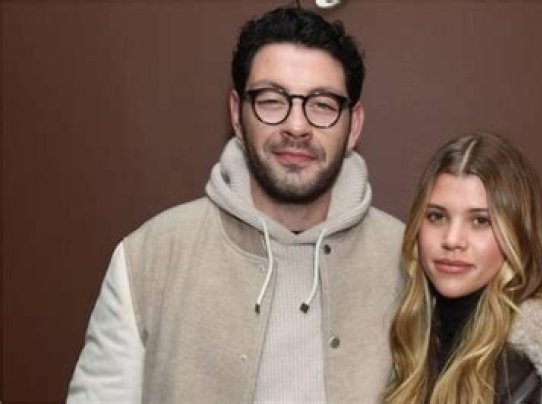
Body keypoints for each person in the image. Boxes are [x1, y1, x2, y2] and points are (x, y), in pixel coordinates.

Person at [68, 7, 404, 404]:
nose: (296, 126)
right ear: (236, 115)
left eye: (322, 104)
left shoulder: (408, 262)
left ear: (354, 126)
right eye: (272, 100)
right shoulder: (148, 256)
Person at [383, 133, 542, 403]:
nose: (452, 240)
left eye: (480, 221)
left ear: (516, 233)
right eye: (436, 216)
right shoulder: (403, 334)